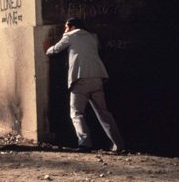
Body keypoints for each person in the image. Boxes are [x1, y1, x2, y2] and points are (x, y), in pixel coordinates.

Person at [44, 18, 124, 153]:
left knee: (76, 113)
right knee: (104, 113)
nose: (65, 30)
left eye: (66, 27)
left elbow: (55, 50)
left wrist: (47, 49)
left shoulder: (69, 36)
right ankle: (118, 144)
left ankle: (85, 143)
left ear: (72, 26)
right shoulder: (93, 37)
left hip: (80, 79)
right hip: (98, 77)